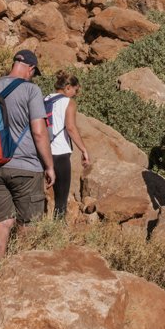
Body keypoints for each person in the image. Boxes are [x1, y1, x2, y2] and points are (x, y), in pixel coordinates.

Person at [0, 50, 56, 272]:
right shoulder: (30, 89)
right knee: (29, 225)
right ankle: (20, 279)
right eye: (34, 73)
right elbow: (39, 132)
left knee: (2, 223)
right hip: (25, 167)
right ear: (30, 69)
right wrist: (49, 166)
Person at [44, 71, 91, 219]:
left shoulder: (44, 99)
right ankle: (57, 233)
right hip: (60, 153)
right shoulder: (68, 102)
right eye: (75, 91)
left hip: (42, 151)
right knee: (61, 198)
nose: (75, 95)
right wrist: (84, 150)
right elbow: (70, 127)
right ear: (68, 87)